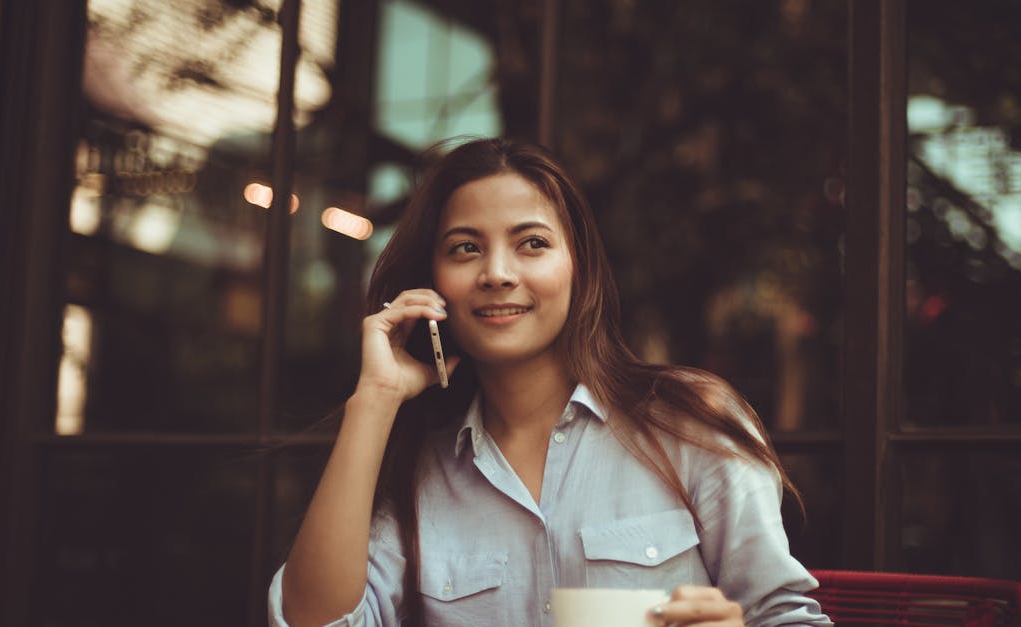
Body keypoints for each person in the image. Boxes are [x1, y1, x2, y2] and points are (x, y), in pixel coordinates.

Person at [270, 137, 830, 627]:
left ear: (577, 267)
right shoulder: (418, 467)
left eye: (531, 243)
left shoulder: (688, 423)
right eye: (466, 248)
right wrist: (374, 399)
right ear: (433, 282)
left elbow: (786, 617)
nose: (496, 273)